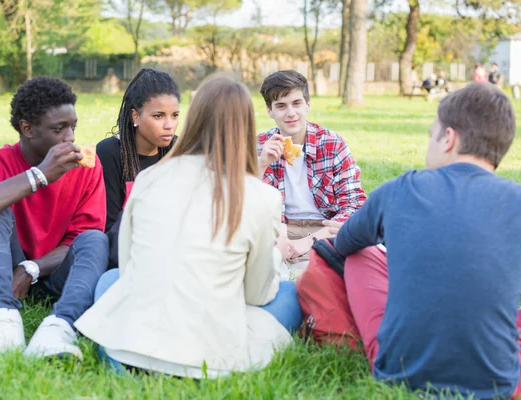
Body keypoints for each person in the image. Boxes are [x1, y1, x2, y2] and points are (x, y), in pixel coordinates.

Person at [75, 75, 303, 378]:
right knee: (291, 295)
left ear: (192, 119)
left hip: (131, 345)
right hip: (209, 358)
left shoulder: (149, 178)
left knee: (111, 280)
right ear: (247, 128)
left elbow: (129, 267)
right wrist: (274, 255)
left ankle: (122, 354)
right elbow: (257, 295)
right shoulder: (262, 197)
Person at [318, 83, 521, 399]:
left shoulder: (401, 189)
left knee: (363, 254)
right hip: (498, 380)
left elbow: (345, 244)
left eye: (432, 134)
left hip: (400, 371)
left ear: (449, 138)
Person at [0, 77, 108, 359]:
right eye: (59, 129)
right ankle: (0, 324)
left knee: (95, 238)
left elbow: (80, 238)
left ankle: (59, 330)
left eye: (73, 127)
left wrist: (31, 269)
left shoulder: (86, 168)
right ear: (27, 129)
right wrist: (38, 176)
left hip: (55, 275)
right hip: (2, 274)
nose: (70, 137)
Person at [257, 70, 366, 272]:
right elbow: (241, 203)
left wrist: (309, 241)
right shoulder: (260, 146)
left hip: (324, 228)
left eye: (296, 103)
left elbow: (355, 203)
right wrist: (261, 164)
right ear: (270, 111)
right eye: (281, 106)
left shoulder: (332, 144)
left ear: (308, 105)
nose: (290, 113)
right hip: (278, 230)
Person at [96, 68, 180, 269]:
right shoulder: (110, 152)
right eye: (158, 116)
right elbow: (109, 226)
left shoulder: (179, 151)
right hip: (123, 254)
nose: (169, 125)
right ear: (135, 116)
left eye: (175, 115)